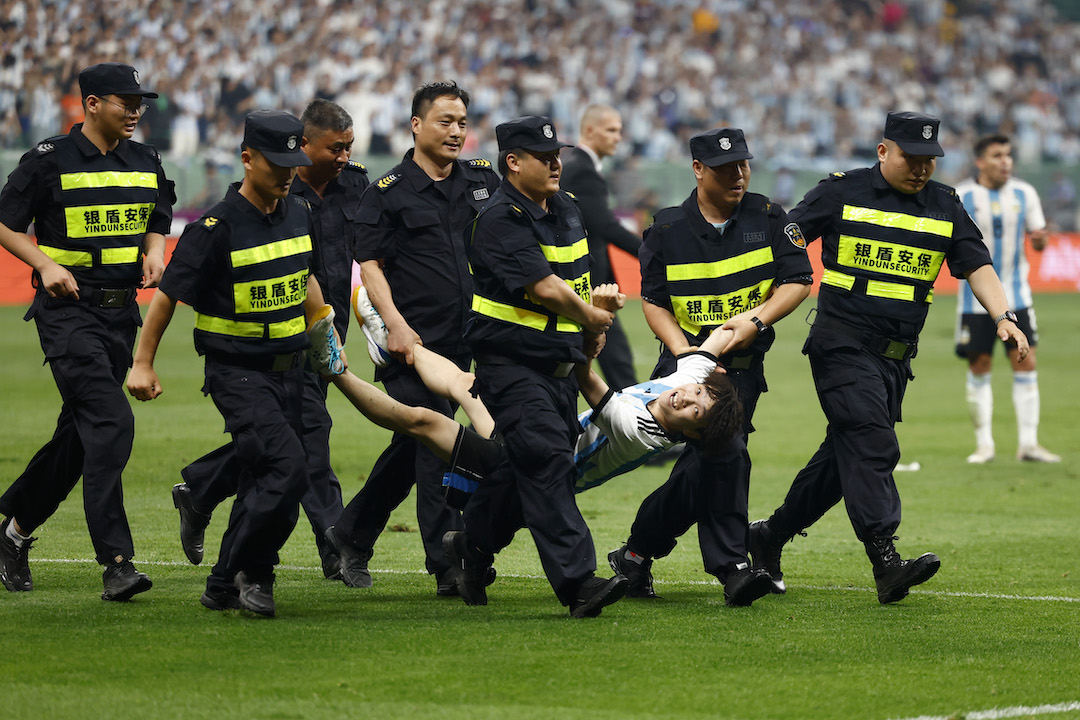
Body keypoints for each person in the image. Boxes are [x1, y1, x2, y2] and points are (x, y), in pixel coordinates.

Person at [749, 112, 1031, 605]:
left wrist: (1003, 314)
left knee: (843, 460)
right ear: (883, 151)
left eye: (929, 160)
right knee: (873, 443)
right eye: (910, 158)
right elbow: (789, 234)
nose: (921, 168)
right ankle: (885, 561)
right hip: (841, 344)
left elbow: (976, 262)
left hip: (896, 358)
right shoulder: (840, 191)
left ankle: (768, 536)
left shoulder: (945, 204)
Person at [127, 109, 332, 618]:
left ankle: (225, 576)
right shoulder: (213, 229)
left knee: (269, 472)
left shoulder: (300, 211)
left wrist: (326, 338)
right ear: (247, 158)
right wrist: (142, 363)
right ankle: (249, 574)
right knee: (287, 468)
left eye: (294, 162)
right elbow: (167, 297)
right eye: (277, 163)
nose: (288, 172)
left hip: (292, 370)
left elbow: (304, 278)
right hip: (237, 371)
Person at [605, 128, 813, 606]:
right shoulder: (666, 230)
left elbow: (799, 279)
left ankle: (635, 555)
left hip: (741, 370)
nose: (738, 176)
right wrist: (686, 355)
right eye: (724, 169)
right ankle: (732, 567)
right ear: (698, 169)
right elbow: (654, 302)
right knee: (727, 456)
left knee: (706, 465)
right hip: (683, 372)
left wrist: (756, 320)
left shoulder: (768, 216)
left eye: (743, 165)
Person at [169, 98, 369, 581]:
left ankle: (201, 492)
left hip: (322, 331)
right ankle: (334, 543)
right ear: (303, 146)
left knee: (272, 444)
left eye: (348, 148)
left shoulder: (357, 185)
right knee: (307, 440)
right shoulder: (273, 192)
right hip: (268, 343)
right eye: (334, 148)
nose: (343, 157)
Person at [440, 115, 628, 619]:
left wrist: (591, 331)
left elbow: (576, 279)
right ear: (513, 163)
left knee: (528, 472)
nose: (555, 163)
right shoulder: (501, 217)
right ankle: (577, 583)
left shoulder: (566, 207)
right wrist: (594, 316)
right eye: (542, 157)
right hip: (511, 367)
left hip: (560, 369)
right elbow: (544, 287)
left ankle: (471, 546)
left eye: (556, 155)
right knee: (547, 461)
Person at [0, 63, 173, 601]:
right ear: (92, 104)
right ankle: (117, 562)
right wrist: (46, 265)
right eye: (125, 101)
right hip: (68, 315)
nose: (136, 110)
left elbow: (159, 215)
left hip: (122, 317)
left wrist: (154, 251)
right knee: (111, 422)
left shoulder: (145, 159)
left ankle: (14, 531)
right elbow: (5, 221)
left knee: (78, 439)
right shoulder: (47, 160)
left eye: (139, 101)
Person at [322, 81, 500, 595]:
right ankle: (447, 564)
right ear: (417, 125)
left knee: (416, 440)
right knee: (436, 446)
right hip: (415, 344)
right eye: (445, 121)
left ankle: (351, 533)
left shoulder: (481, 182)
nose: (456, 131)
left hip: (472, 338)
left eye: (463, 122)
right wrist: (395, 324)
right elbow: (370, 265)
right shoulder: (386, 192)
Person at [954, 134, 1059, 464]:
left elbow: (1038, 242)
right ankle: (984, 445)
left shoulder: (1025, 193)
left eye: (1009, 155)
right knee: (979, 365)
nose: (1006, 162)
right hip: (974, 301)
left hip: (1018, 297)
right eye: (997, 155)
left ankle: (1028, 444)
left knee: (1025, 362)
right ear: (980, 161)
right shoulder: (961, 196)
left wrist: (1040, 241)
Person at [560, 104, 642, 390]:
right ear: (590, 130)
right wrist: (655, 251)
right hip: (587, 287)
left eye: (619, 130)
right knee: (615, 364)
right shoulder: (582, 171)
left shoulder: (580, 168)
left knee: (611, 362)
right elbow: (606, 227)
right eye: (611, 130)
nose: (618, 137)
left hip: (590, 286)